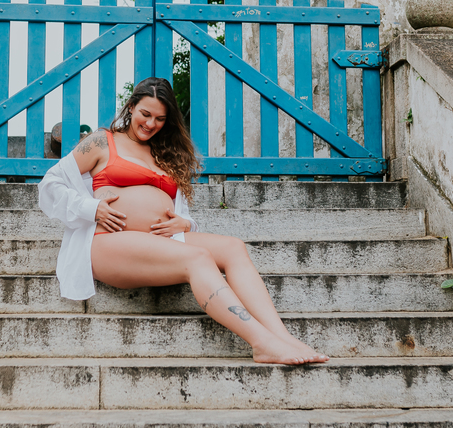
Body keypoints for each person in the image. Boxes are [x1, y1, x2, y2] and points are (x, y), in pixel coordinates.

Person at [38, 77, 329, 365]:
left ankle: (282, 337)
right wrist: (92, 208)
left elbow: (180, 211)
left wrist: (185, 224)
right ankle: (262, 343)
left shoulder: (163, 152)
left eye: (160, 119)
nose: (151, 124)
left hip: (158, 242)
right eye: (145, 114)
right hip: (107, 243)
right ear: (131, 107)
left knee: (233, 247)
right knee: (198, 258)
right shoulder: (102, 141)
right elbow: (51, 184)